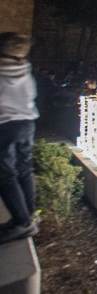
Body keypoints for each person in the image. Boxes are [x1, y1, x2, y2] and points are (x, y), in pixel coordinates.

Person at [0, 33, 40, 243]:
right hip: (27, 123)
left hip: (5, 126)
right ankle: (27, 214)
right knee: (25, 169)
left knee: (5, 175)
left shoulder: (2, 73)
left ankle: (22, 223)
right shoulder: (25, 70)